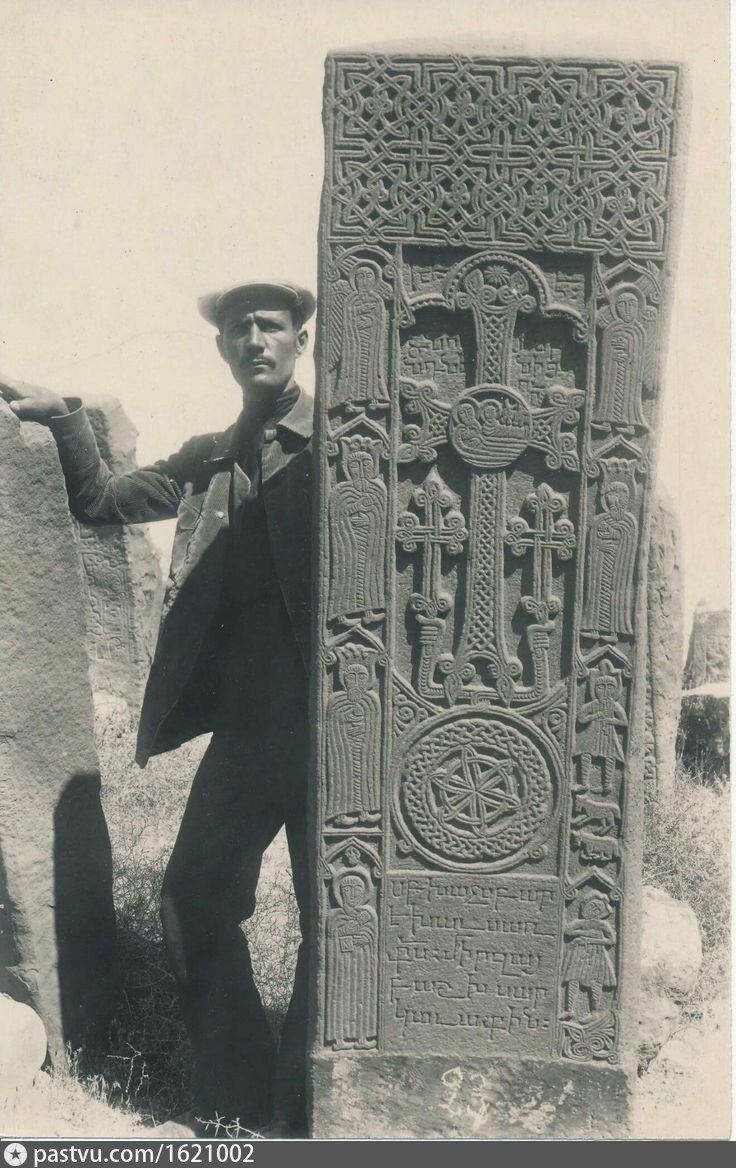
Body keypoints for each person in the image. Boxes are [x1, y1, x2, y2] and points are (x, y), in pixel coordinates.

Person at [0, 280, 316, 1136]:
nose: (255, 340)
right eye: (239, 329)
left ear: (301, 339)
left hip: (337, 734)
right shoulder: (213, 456)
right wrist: (66, 417)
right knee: (193, 900)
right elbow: (102, 502)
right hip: (249, 735)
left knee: (334, 921)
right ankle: (239, 1105)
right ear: (223, 348)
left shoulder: (345, 449)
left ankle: (305, 1110)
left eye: (271, 326)